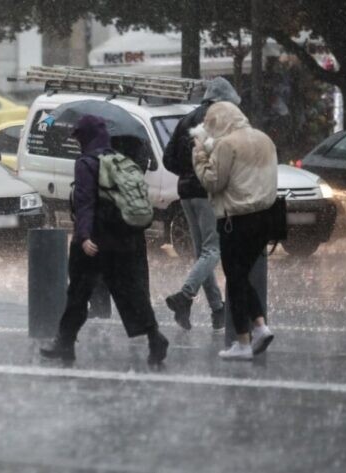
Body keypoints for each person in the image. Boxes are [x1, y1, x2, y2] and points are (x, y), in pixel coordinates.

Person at [40, 115, 168, 365]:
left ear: (85, 137)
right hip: (122, 238)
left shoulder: (87, 163)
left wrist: (84, 237)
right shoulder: (119, 160)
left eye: (78, 137)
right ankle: (155, 336)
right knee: (130, 291)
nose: (77, 142)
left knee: (78, 292)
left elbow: (85, 203)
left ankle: (64, 343)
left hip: (95, 241)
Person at [192, 102, 277, 361]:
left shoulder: (227, 145)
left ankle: (243, 341)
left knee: (235, 278)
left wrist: (199, 155)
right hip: (267, 217)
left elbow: (213, 181)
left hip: (237, 219)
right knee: (241, 276)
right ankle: (260, 327)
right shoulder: (264, 139)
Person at [162, 77, 240, 331]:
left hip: (185, 192)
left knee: (202, 252)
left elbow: (168, 158)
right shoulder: (220, 118)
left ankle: (218, 309)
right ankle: (184, 296)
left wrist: (187, 173)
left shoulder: (187, 118)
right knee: (212, 249)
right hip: (208, 191)